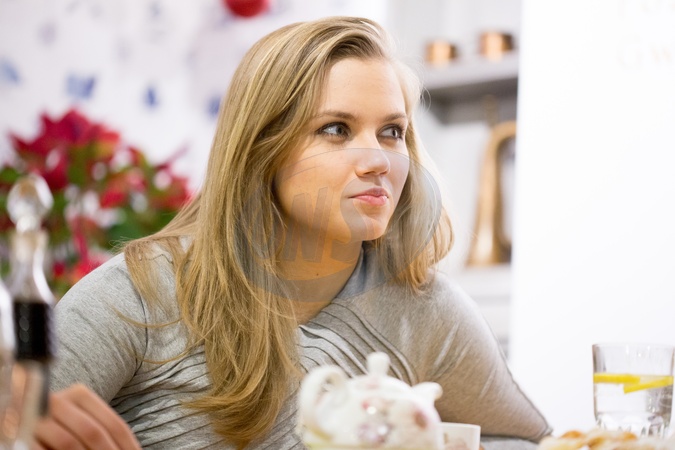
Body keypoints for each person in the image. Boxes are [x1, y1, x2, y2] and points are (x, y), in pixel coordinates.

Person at [35, 16, 551, 450]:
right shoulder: (141, 294)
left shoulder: (426, 310)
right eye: (336, 129)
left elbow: (531, 442)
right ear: (263, 151)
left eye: (392, 132)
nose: (378, 160)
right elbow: (18, 420)